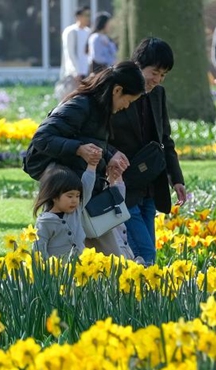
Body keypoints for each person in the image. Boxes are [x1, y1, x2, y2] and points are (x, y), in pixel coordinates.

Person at [27, 61, 145, 257]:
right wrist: (79, 149)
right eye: (129, 101)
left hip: (85, 192)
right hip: (68, 193)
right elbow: (42, 138)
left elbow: (86, 138)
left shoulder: (99, 108)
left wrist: (109, 154)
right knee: (74, 258)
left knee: (97, 261)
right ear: (117, 90)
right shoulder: (81, 105)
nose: (126, 106)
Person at [110, 38, 187, 266]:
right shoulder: (117, 91)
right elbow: (101, 136)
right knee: (145, 254)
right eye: (154, 72)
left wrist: (177, 180)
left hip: (151, 185)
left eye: (163, 75)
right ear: (138, 64)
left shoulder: (157, 94)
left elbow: (165, 139)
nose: (158, 79)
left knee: (145, 252)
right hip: (124, 185)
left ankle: (138, 299)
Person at [33, 160, 124, 260]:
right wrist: (46, 270)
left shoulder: (76, 211)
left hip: (79, 268)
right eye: (70, 196)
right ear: (54, 196)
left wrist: (92, 165)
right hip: (57, 272)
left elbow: (87, 186)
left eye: (77, 196)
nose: (75, 200)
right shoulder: (45, 222)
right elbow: (39, 249)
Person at [57, 6, 91, 99]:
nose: (88, 18)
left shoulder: (88, 31)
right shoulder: (70, 31)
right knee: (69, 98)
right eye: (86, 15)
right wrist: (75, 72)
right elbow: (69, 53)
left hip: (85, 72)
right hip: (73, 74)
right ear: (78, 16)